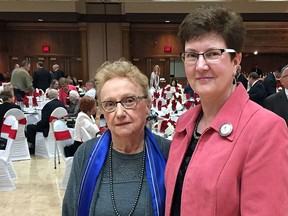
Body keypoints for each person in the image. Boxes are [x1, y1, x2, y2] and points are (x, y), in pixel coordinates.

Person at [165, 6, 288, 216]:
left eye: (213, 54)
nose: (200, 65)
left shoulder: (265, 129)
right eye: (192, 55)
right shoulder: (184, 123)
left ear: (236, 61)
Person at [62, 59, 170, 216]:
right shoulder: (86, 154)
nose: (119, 113)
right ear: (103, 111)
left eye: (129, 100)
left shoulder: (169, 153)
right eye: (110, 104)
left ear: (147, 106)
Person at [26, 89, 65, 154]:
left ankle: (34, 147)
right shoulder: (62, 104)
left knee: (30, 127)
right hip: (60, 128)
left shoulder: (48, 105)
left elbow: (44, 121)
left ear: (49, 96)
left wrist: (37, 124)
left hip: (48, 128)